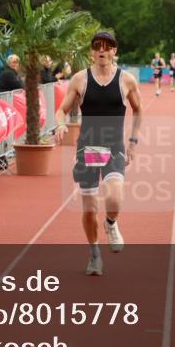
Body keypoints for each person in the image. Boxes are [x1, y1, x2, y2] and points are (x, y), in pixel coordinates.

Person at [55, 31, 143, 276]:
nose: (101, 51)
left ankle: (111, 223)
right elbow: (61, 110)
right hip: (89, 149)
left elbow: (139, 110)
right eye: (97, 47)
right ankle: (94, 255)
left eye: (107, 47)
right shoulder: (80, 80)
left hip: (114, 146)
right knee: (90, 207)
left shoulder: (126, 81)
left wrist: (133, 141)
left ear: (115, 51)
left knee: (115, 198)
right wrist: (61, 123)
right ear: (92, 51)